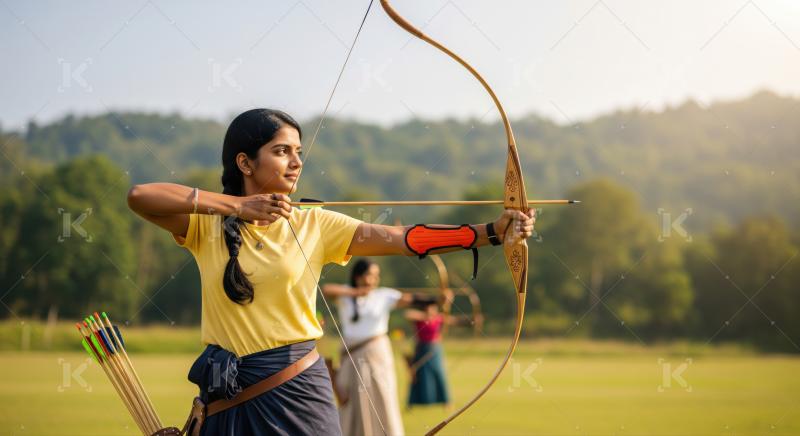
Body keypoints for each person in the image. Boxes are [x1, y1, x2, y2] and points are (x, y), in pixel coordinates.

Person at [126, 108, 536, 435]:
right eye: (282, 151)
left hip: (296, 391)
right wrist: (236, 207)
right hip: (226, 397)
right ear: (245, 162)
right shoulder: (205, 224)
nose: (296, 162)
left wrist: (488, 233)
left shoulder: (315, 223)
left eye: (298, 152)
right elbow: (140, 196)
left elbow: (401, 237)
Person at [322, 258, 411, 436]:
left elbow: (411, 300)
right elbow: (326, 290)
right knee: (350, 401)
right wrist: (357, 293)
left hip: (376, 356)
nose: (374, 280)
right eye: (370, 275)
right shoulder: (346, 295)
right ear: (358, 276)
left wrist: (438, 299)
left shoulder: (384, 295)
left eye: (376, 276)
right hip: (351, 357)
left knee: (381, 397)